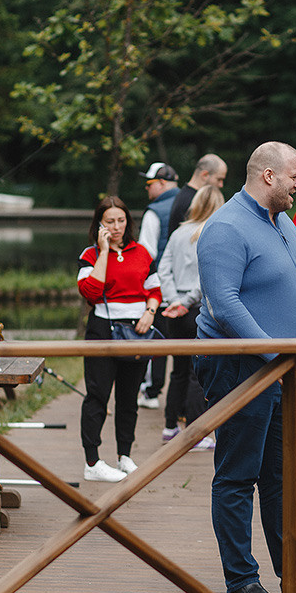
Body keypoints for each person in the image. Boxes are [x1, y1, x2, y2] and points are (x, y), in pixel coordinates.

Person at [195, 140, 296, 593]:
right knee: (237, 474)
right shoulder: (224, 228)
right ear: (268, 176)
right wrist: (273, 354)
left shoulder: (281, 221)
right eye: (294, 175)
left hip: (285, 369)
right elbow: (224, 305)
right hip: (242, 367)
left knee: (283, 475)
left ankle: (295, 571)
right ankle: (241, 579)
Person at [76, 196, 163, 483]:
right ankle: (92, 461)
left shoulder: (142, 252)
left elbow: (154, 288)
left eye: (121, 220)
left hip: (138, 330)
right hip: (103, 329)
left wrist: (150, 312)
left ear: (128, 221)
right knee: (98, 396)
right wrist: (103, 251)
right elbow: (89, 291)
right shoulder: (90, 255)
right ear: (99, 224)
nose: (116, 227)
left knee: (129, 397)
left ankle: (124, 455)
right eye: (109, 221)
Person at [157, 185, 224, 450]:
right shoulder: (212, 233)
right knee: (199, 372)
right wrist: (185, 303)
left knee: (179, 370)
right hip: (196, 309)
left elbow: (163, 269)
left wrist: (174, 300)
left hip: (175, 309)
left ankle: (169, 425)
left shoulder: (177, 233)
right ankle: (195, 433)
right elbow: (206, 278)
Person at [137, 162, 179, 409]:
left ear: (162, 183)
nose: (147, 189)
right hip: (190, 291)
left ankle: (151, 393)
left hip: (160, 289)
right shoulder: (193, 202)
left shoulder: (154, 211)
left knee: (157, 341)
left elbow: (146, 253)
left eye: (149, 184)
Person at [167, 153, 227, 236]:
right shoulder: (190, 201)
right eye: (219, 179)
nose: (221, 185)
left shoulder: (184, 196)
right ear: (204, 175)